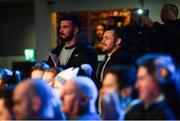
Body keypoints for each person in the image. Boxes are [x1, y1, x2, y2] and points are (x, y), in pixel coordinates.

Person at [125, 54, 177, 120]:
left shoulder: (167, 115)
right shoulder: (134, 109)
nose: (136, 86)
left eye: (142, 79)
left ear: (158, 79)